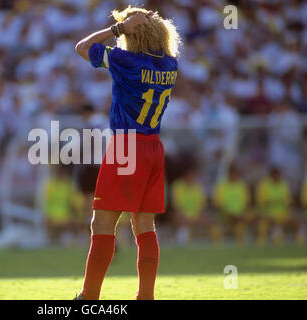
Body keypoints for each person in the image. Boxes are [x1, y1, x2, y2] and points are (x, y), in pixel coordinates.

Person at [74, 6, 181, 300]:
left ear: (133, 35)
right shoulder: (170, 65)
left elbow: (83, 47)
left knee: (103, 222)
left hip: (126, 147)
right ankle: (146, 296)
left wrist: (118, 29)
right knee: (144, 224)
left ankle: (89, 296)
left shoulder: (125, 60)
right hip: (154, 148)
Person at [171, 167, 211, 245]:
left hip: (195, 215)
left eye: (193, 175)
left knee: (209, 218)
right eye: (189, 175)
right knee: (177, 216)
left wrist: (194, 216)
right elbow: (176, 205)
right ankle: (183, 237)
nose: (191, 177)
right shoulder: (178, 186)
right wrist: (187, 217)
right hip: (182, 215)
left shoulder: (198, 187)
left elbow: (202, 206)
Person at [213, 164, 251, 245]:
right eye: (232, 173)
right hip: (225, 215)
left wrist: (240, 213)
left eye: (235, 173)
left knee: (243, 223)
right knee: (216, 229)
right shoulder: (221, 186)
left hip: (240, 215)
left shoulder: (242, 186)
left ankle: (242, 244)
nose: (234, 175)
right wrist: (229, 213)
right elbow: (217, 205)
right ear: (228, 173)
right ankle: (218, 247)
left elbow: (247, 203)